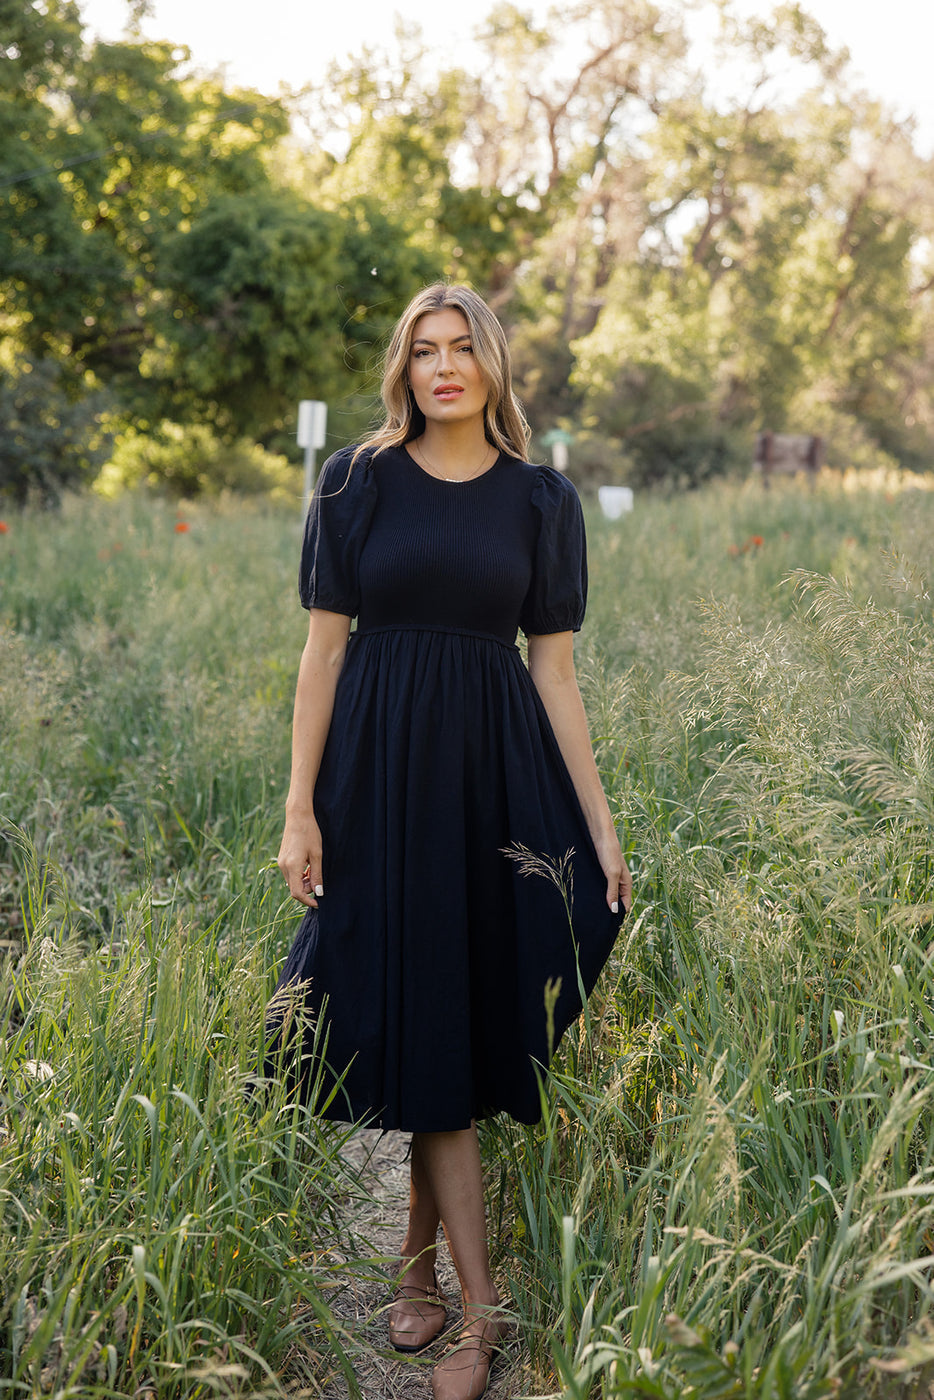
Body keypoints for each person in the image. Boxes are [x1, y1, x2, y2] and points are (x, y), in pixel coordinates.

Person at [270, 282, 632, 1400]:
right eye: (422, 349)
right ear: (403, 366)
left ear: (491, 364)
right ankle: (479, 1311)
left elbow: (555, 673)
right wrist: (299, 804)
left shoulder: (541, 499)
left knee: (463, 1008)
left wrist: (600, 823)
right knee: (417, 1006)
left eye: (460, 347)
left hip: (492, 777)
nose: (441, 367)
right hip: (376, 775)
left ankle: (418, 1263)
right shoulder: (355, 482)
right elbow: (324, 654)